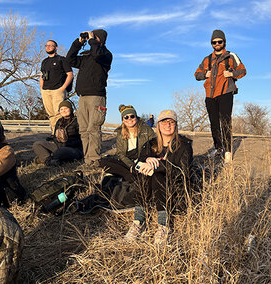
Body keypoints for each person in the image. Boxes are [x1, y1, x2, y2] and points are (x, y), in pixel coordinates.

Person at [124, 110, 193, 246]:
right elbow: (138, 164)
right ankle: (139, 221)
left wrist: (159, 165)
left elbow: (183, 171)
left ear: (176, 125)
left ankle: (163, 225)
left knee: (156, 175)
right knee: (145, 174)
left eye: (171, 122)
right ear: (158, 125)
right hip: (150, 189)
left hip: (173, 189)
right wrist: (146, 160)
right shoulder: (150, 144)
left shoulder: (184, 146)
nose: (168, 125)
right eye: (164, 122)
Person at [195, 29, 246, 163]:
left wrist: (231, 74)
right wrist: (204, 75)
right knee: (214, 123)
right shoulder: (207, 59)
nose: (217, 44)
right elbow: (196, 74)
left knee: (225, 122)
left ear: (224, 42)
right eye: (214, 42)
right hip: (210, 95)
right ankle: (218, 148)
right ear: (211, 43)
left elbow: (243, 70)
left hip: (225, 92)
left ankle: (228, 151)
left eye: (219, 41)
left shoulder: (231, 56)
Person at [66, 29, 112, 166]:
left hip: (96, 96)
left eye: (94, 37)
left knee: (93, 128)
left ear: (100, 39)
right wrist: (78, 43)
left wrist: (93, 40)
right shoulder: (87, 56)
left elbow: (97, 54)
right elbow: (70, 60)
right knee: (84, 129)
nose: (91, 38)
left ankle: (95, 159)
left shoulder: (106, 54)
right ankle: (87, 160)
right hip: (83, 96)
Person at [99, 104, 156, 182]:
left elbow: (154, 146)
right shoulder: (120, 133)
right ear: (123, 119)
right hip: (127, 162)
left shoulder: (146, 129)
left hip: (142, 160)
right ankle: (128, 175)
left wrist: (143, 162)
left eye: (132, 116)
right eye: (126, 117)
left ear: (136, 117)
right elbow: (120, 154)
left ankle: (128, 176)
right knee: (102, 162)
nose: (129, 119)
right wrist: (131, 166)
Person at [33, 100, 83, 166]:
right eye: (61, 109)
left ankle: (44, 159)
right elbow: (55, 137)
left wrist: (67, 143)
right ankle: (49, 160)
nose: (63, 111)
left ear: (71, 109)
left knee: (60, 152)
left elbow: (81, 138)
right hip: (59, 146)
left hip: (73, 149)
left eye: (66, 108)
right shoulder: (59, 121)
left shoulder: (78, 121)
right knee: (37, 144)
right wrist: (53, 140)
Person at [40, 40, 73, 133]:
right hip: (46, 90)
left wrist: (63, 88)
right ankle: (54, 133)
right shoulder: (44, 62)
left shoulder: (61, 59)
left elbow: (70, 74)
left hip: (57, 90)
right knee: (50, 114)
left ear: (56, 47)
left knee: (59, 113)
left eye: (51, 45)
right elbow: (41, 75)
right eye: (47, 45)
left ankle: (61, 133)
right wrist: (41, 88)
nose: (48, 47)